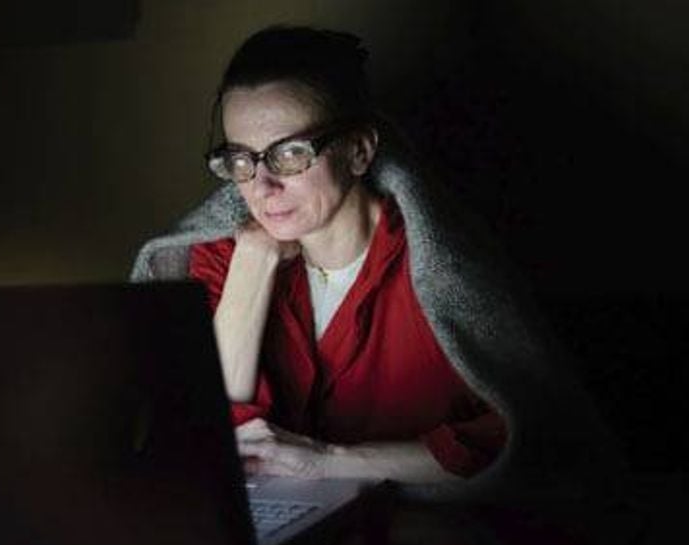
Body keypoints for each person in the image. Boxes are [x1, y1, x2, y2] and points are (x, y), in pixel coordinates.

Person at [131, 25, 621, 505]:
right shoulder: (221, 256)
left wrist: (329, 459)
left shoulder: (436, 267)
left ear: (360, 150)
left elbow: (521, 437)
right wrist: (253, 266)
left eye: (290, 154)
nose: (261, 187)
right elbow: (206, 433)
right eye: (241, 159)